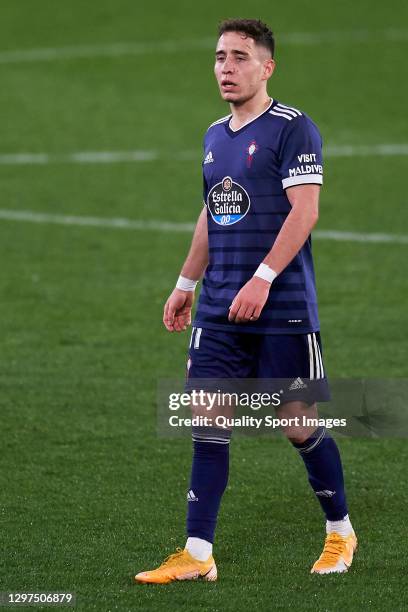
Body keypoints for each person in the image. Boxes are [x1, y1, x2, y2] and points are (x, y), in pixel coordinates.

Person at [135, 18, 357, 583]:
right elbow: (215, 212)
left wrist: (261, 278)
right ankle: (197, 553)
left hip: (281, 305)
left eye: (239, 57)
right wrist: (186, 285)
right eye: (219, 57)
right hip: (217, 309)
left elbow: (304, 210)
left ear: (267, 67)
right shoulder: (214, 137)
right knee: (207, 418)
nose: (226, 68)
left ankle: (340, 533)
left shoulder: (292, 128)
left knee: (296, 420)